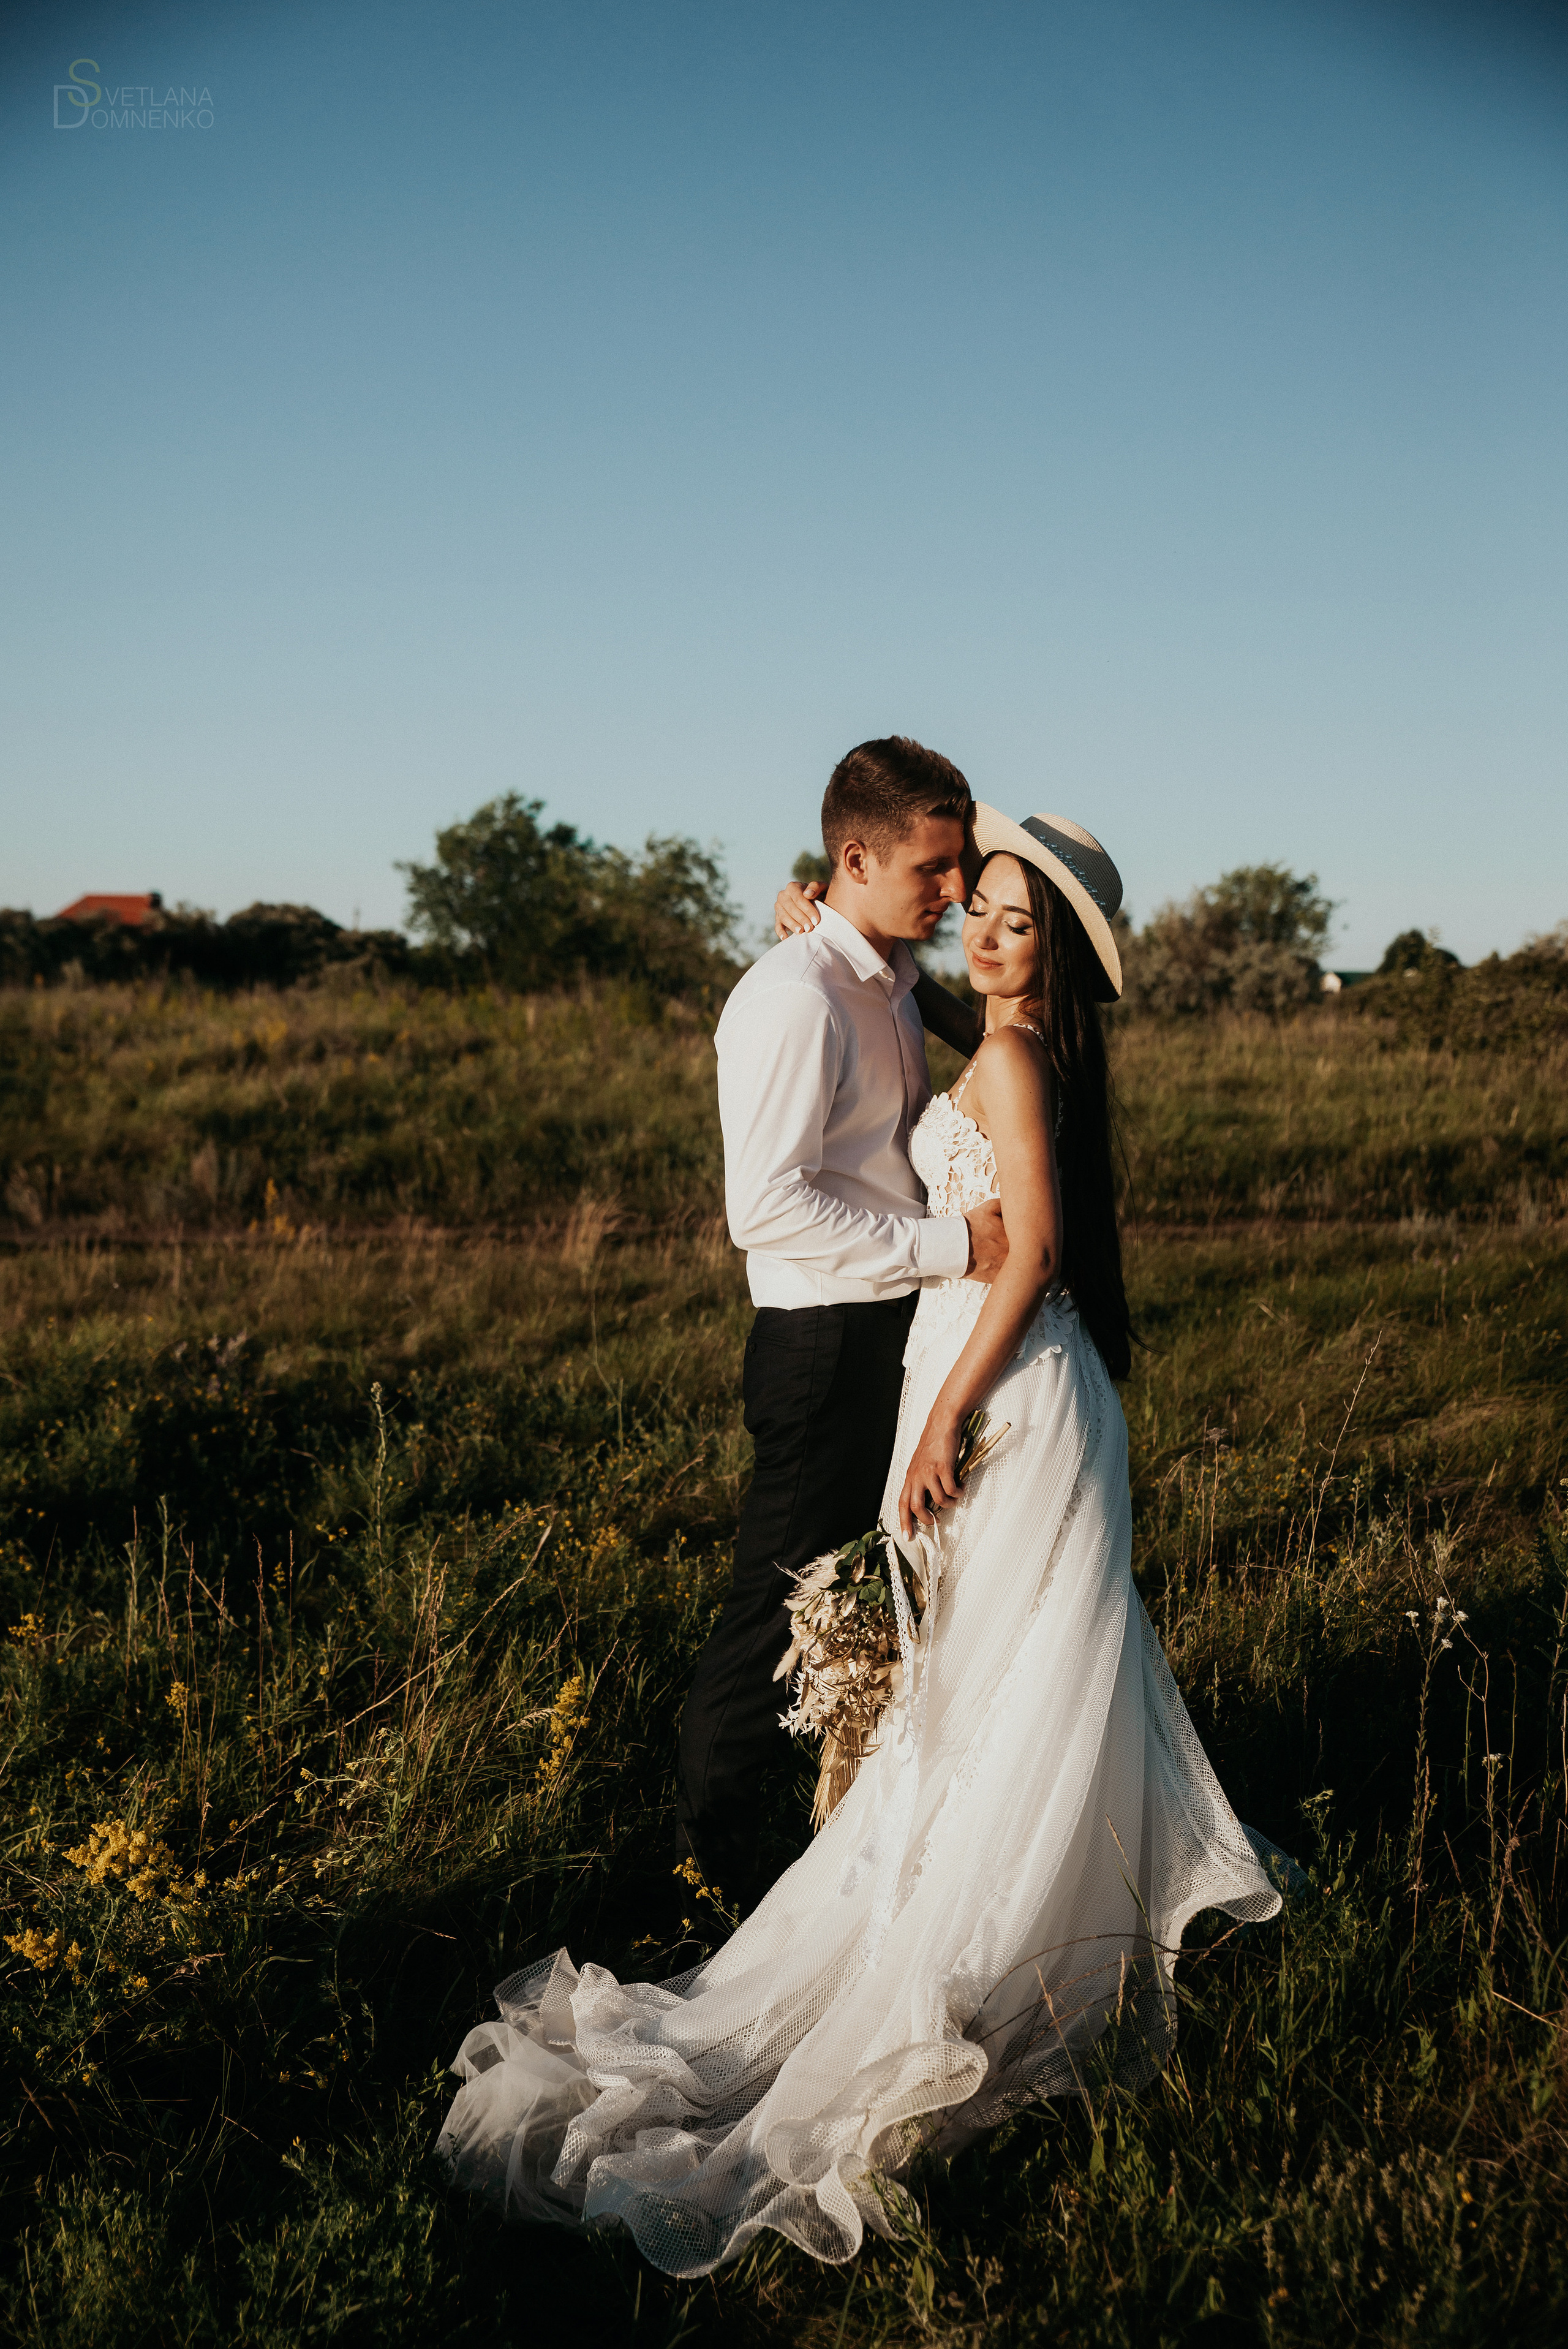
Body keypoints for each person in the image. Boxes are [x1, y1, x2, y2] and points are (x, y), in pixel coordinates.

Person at [437, 795, 1290, 2279]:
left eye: (1014, 920)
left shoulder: (1013, 1058)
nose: (982, 930)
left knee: (1003, 1683)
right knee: (984, 1678)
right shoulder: (982, 1028)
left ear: (1055, 955)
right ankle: (987, 1910)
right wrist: (823, 927)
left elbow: (1029, 1253)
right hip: (975, 1375)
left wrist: (947, 1413)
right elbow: (926, 1000)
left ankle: (990, 1939)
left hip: (1002, 1388)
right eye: (975, 906)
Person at [674, 736, 1009, 1918]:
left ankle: (824, 1845)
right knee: (772, 1608)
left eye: (960, 867)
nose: (955, 890)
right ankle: (703, 1877)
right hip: (822, 1346)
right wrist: (954, 1245)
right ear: (856, 860)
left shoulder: (890, 980)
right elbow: (765, 1206)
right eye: (932, 868)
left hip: (893, 1335)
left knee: (863, 1602)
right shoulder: (794, 998)